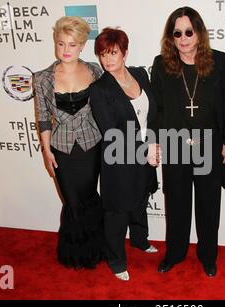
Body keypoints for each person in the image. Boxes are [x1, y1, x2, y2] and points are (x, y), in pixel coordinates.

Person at [151, 7, 225, 277]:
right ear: (171, 37)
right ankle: (175, 253)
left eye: (189, 31)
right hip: (175, 144)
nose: (184, 38)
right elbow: (157, 108)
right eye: (177, 33)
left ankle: (208, 256)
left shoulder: (219, 61)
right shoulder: (161, 64)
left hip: (209, 144)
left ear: (198, 33)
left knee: (209, 204)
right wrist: (154, 140)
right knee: (176, 203)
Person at [33, 16, 105, 270]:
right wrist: (46, 151)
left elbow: (107, 107)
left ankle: (95, 251)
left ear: (82, 46)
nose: (65, 50)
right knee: (72, 202)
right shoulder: (42, 78)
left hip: (92, 145)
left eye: (72, 45)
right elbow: (43, 118)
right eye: (61, 43)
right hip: (61, 149)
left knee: (88, 198)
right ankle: (76, 253)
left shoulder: (95, 71)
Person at [90, 27, 159, 281]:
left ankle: (140, 240)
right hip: (119, 157)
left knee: (140, 199)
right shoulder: (100, 89)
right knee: (117, 211)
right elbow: (111, 132)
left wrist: (154, 143)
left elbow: (152, 113)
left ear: (125, 53)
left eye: (113, 53)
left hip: (146, 152)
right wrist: (145, 150)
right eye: (103, 54)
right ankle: (116, 260)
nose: (107, 59)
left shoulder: (140, 74)